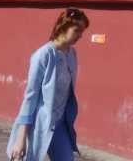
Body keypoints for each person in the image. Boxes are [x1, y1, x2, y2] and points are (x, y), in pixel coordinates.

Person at [7, 8, 90, 161]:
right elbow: (30, 97)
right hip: (38, 123)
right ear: (63, 27)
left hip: (59, 124)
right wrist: (21, 138)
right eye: (77, 30)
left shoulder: (72, 54)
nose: (80, 35)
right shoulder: (43, 55)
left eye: (82, 31)